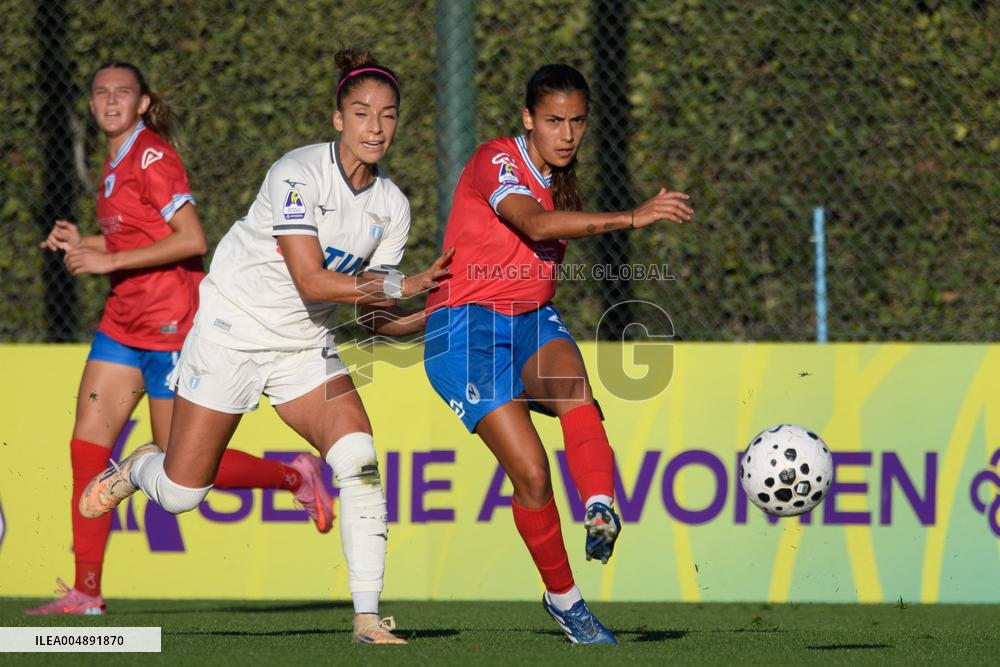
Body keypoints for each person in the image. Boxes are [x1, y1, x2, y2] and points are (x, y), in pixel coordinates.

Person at [79, 49, 450, 644]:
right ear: (338, 120)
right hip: (232, 329)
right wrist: (404, 285)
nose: (375, 127)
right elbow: (310, 278)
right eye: (361, 114)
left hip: (305, 346)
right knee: (179, 495)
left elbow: (373, 319)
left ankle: (366, 619)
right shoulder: (297, 172)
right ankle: (141, 467)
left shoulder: (392, 208)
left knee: (358, 459)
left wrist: (434, 314)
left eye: (387, 115)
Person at [28, 62, 335, 617]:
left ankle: (294, 474)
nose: (111, 101)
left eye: (123, 92)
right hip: (122, 326)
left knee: (180, 467)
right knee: (87, 450)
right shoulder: (115, 159)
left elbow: (191, 237)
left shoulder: (152, 157)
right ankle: (86, 593)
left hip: (173, 326)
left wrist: (109, 259)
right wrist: (88, 239)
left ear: (144, 103)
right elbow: (138, 233)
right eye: (101, 93)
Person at [423, 63, 692, 644]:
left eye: (576, 122)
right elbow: (534, 222)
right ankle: (566, 601)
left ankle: (599, 508)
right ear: (528, 119)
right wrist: (630, 217)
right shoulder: (497, 159)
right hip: (466, 334)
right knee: (533, 474)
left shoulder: (560, 177)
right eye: (552, 121)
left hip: (530, 324)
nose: (566, 134)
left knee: (579, 396)